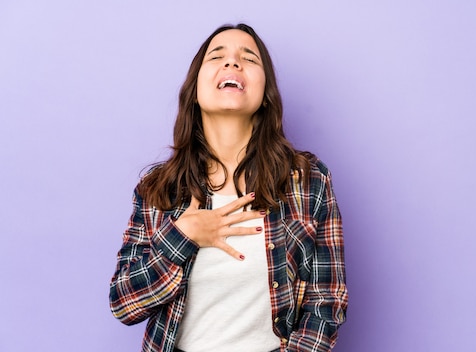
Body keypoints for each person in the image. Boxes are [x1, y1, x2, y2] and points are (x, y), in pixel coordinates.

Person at [109, 23, 348, 352]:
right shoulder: (158, 189)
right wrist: (184, 236)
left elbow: (327, 302)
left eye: (249, 58)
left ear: (266, 95)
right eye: (217, 56)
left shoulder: (308, 181)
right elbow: (124, 304)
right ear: (194, 90)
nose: (233, 63)